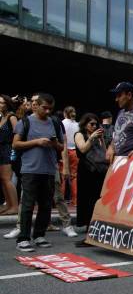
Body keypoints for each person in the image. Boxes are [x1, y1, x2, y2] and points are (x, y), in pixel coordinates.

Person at [12, 93, 64, 252]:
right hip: (30, 169)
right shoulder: (25, 122)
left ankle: (39, 235)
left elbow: (61, 148)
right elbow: (15, 144)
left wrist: (55, 144)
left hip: (48, 170)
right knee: (28, 205)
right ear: (36, 106)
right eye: (45, 108)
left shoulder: (54, 122)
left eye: (50, 108)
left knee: (46, 205)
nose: (48, 111)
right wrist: (37, 142)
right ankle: (23, 238)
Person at [74, 113, 108, 239]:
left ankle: (96, 224)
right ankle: (89, 225)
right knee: (87, 198)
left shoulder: (98, 136)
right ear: (85, 124)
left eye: (96, 124)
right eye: (91, 124)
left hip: (99, 170)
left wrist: (102, 139)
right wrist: (92, 138)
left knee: (97, 197)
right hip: (86, 170)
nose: (94, 126)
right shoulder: (79, 134)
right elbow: (82, 149)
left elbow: (104, 152)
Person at [0, 95, 19, 215]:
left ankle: (15, 207)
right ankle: (9, 205)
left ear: (7, 104)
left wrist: (14, 151)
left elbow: (18, 133)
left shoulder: (11, 116)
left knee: (7, 179)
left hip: (7, 149)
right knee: (3, 179)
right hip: (1, 149)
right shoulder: (1, 117)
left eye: (1, 103)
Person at [62, 106, 79, 205]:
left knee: (62, 176)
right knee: (74, 176)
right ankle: (75, 200)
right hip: (74, 152)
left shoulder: (62, 123)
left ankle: (59, 201)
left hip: (64, 151)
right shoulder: (78, 125)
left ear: (65, 113)